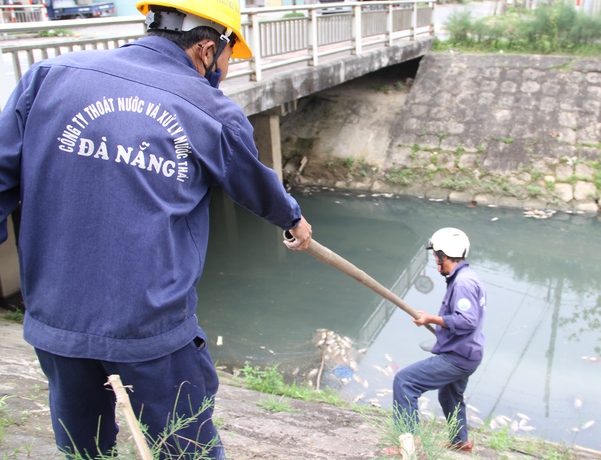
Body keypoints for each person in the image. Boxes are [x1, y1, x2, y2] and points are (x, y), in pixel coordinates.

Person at [0, 0, 312, 458]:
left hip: (56, 320)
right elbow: (255, 185)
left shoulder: (48, 77)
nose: (225, 70)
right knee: (187, 450)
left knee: (84, 451)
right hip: (150, 332)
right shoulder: (210, 111)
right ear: (207, 49)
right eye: (228, 58)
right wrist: (293, 220)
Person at [389, 228, 486, 454]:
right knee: (449, 394)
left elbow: (467, 321)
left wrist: (431, 318)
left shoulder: (462, 283)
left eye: (435, 256)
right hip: (469, 352)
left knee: (405, 381)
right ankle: (459, 442)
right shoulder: (467, 277)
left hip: (458, 356)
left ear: (444, 255)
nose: (435, 261)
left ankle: (408, 446)